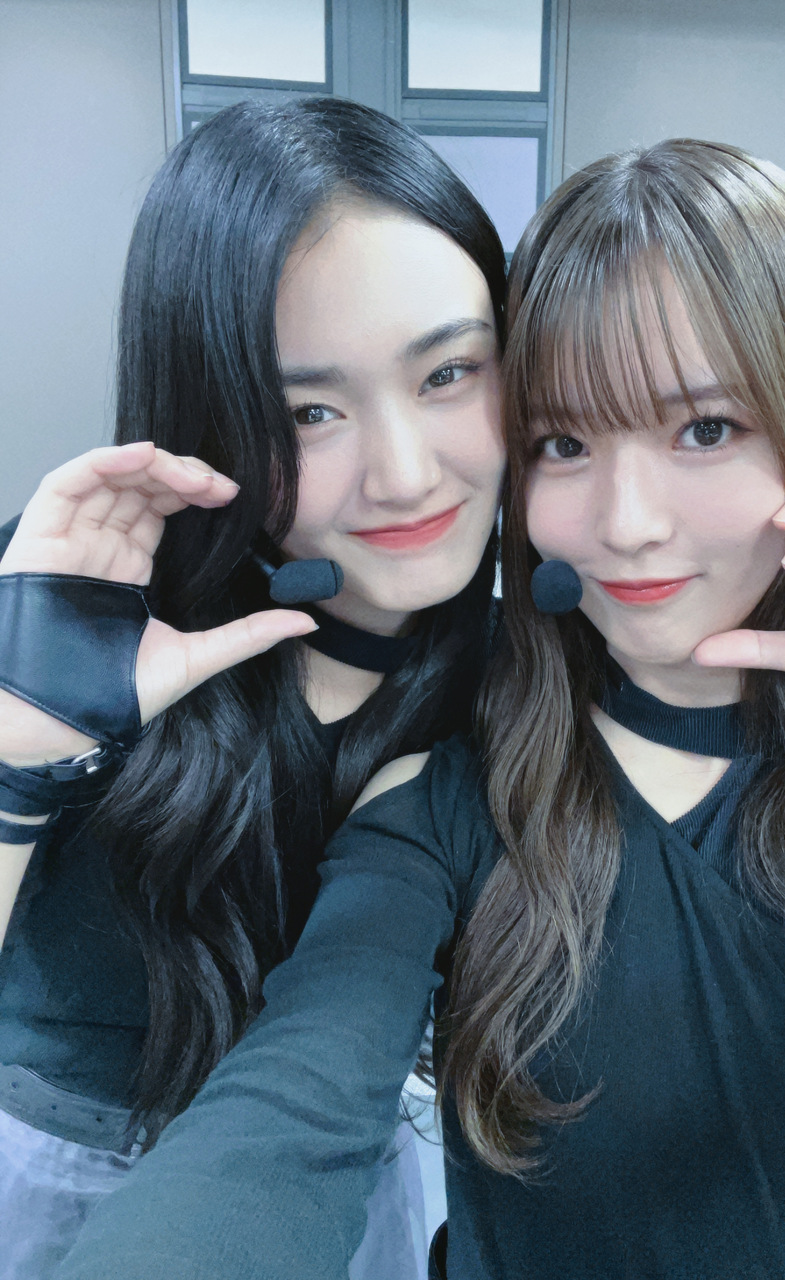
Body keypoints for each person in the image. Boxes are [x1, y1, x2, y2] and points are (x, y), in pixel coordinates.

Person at [44, 140, 785, 1279]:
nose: (626, 523)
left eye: (705, 429)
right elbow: (291, 1108)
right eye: (564, 443)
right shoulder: (448, 799)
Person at [0, 97, 507, 1279]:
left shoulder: (514, 661)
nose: (405, 473)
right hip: (67, 1174)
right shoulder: (69, 599)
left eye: (448, 373)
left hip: (349, 1168)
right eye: (309, 411)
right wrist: (22, 760)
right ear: (211, 421)